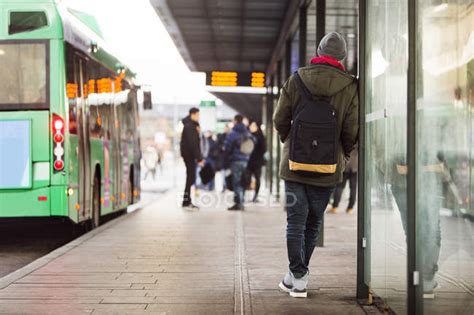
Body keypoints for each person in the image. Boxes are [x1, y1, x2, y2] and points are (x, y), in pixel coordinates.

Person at [273, 32, 358, 298]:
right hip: (328, 168)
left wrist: (291, 142)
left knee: (295, 222)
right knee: (312, 223)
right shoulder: (350, 86)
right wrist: (340, 156)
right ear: (342, 57)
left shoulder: (296, 79)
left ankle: (297, 276)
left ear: (318, 51)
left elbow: (279, 119)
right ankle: (298, 275)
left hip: (295, 165)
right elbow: (351, 130)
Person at [224, 115, 254, 210]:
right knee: (243, 181)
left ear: (235, 121)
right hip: (245, 160)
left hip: (236, 160)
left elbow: (227, 147)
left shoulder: (233, 133)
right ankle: (241, 202)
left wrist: (227, 157)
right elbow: (253, 142)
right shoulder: (247, 132)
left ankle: (238, 203)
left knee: (236, 182)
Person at [180, 107, 204, 210]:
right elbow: (193, 143)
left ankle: (187, 201)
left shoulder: (191, 125)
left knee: (191, 177)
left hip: (189, 155)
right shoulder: (190, 126)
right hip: (189, 155)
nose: (199, 117)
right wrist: (199, 158)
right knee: (190, 177)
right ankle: (186, 201)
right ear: (192, 114)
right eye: (197, 115)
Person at [329, 148, 358, 214]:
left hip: (345, 165)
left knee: (339, 187)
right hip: (355, 165)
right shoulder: (359, 139)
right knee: (353, 188)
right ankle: (350, 208)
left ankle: (335, 207)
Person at [247, 121, 266, 202]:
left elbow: (264, 149)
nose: (252, 127)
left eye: (254, 125)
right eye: (251, 125)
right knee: (247, 178)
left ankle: (255, 196)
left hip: (257, 161)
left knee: (257, 179)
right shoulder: (247, 135)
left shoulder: (261, 137)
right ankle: (246, 195)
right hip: (248, 161)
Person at [216, 124, 231, 192]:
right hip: (222, 158)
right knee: (223, 174)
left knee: (228, 174)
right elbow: (217, 146)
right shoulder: (221, 136)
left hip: (229, 159)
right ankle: (224, 186)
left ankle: (228, 186)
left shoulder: (231, 136)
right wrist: (221, 148)